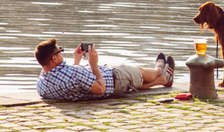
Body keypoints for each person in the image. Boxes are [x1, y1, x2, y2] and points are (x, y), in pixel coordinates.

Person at [34, 38, 175, 101]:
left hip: (115, 83)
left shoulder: (42, 83)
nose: (62, 53)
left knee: (135, 81)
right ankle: (160, 72)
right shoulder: (73, 73)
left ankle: (160, 82)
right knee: (139, 71)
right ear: (53, 58)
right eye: (60, 51)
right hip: (116, 79)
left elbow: (74, 81)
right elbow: (100, 89)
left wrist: (77, 59)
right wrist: (94, 64)